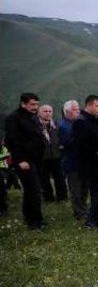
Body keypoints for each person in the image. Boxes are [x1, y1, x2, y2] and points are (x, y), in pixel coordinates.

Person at [4, 93, 46, 229]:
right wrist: (20, 160)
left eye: (36, 104)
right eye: (32, 104)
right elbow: (12, 141)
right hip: (24, 160)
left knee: (32, 190)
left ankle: (32, 218)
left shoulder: (32, 117)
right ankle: (34, 222)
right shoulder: (13, 118)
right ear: (23, 104)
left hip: (36, 159)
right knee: (33, 190)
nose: (35, 107)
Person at [74, 95, 98, 228]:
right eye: (97, 106)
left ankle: (97, 218)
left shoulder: (95, 119)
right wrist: (97, 152)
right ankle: (92, 220)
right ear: (89, 105)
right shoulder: (80, 121)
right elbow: (81, 144)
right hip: (88, 162)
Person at [58, 100, 88, 220]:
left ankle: (84, 209)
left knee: (84, 187)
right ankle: (79, 213)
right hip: (72, 162)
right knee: (76, 189)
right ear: (67, 111)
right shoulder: (63, 126)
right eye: (75, 109)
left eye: (78, 108)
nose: (78, 111)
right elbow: (66, 143)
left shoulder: (79, 122)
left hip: (82, 161)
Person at [37, 104, 67, 202]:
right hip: (42, 158)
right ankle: (48, 199)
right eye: (45, 111)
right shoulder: (35, 126)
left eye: (50, 111)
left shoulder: (57, 125)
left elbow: (62, 138)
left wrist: (62, 145)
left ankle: (62, 198)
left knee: (60, 179)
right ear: (39, 113)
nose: (48, 113)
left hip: (56, 157)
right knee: (44, 180)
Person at [0, 138, 11, 217]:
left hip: (3, 168)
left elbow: (7, 155)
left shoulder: (4, 148)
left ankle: (3, 209)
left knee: (1, 189)